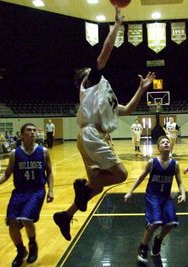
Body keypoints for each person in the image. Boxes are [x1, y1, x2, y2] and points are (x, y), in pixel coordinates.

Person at [53, 6, 155, 242]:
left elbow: (127, 109)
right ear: (85, 79)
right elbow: (103, 55)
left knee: (96, 187)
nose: (95, 71)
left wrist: (140, 90)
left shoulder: (102, 100)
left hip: (88, 137)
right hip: (92, 136)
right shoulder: (90, 83)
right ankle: (83, 187)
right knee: (120, 174)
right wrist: (117, 26)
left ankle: (65, 215)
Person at [0, 123, 54, 267]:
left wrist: (51, 190)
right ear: (22, 135)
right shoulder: (15, 154)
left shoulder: (43, 151)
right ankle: (20, 250)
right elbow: (7, 173)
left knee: (25, 218)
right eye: (29, 130)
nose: (33, 132)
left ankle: (32, 244)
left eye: (34, 130)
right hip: (20, 191)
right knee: (12, 222)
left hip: (36, 190)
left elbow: (50, 172)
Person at [124, 135, 186, 263]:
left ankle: (158, 241)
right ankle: (143, 247)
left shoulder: (175, 164)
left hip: (166, 197)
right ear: (158, 148)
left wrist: (183, 194)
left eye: (167, 142)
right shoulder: (152, 163)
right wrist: (130, 191)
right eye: (163, 142)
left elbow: (179, 181)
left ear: (171, 146)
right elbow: (140, 177)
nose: (166, 143)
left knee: (171, 223)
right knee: (155, 222)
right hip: (153, 196)